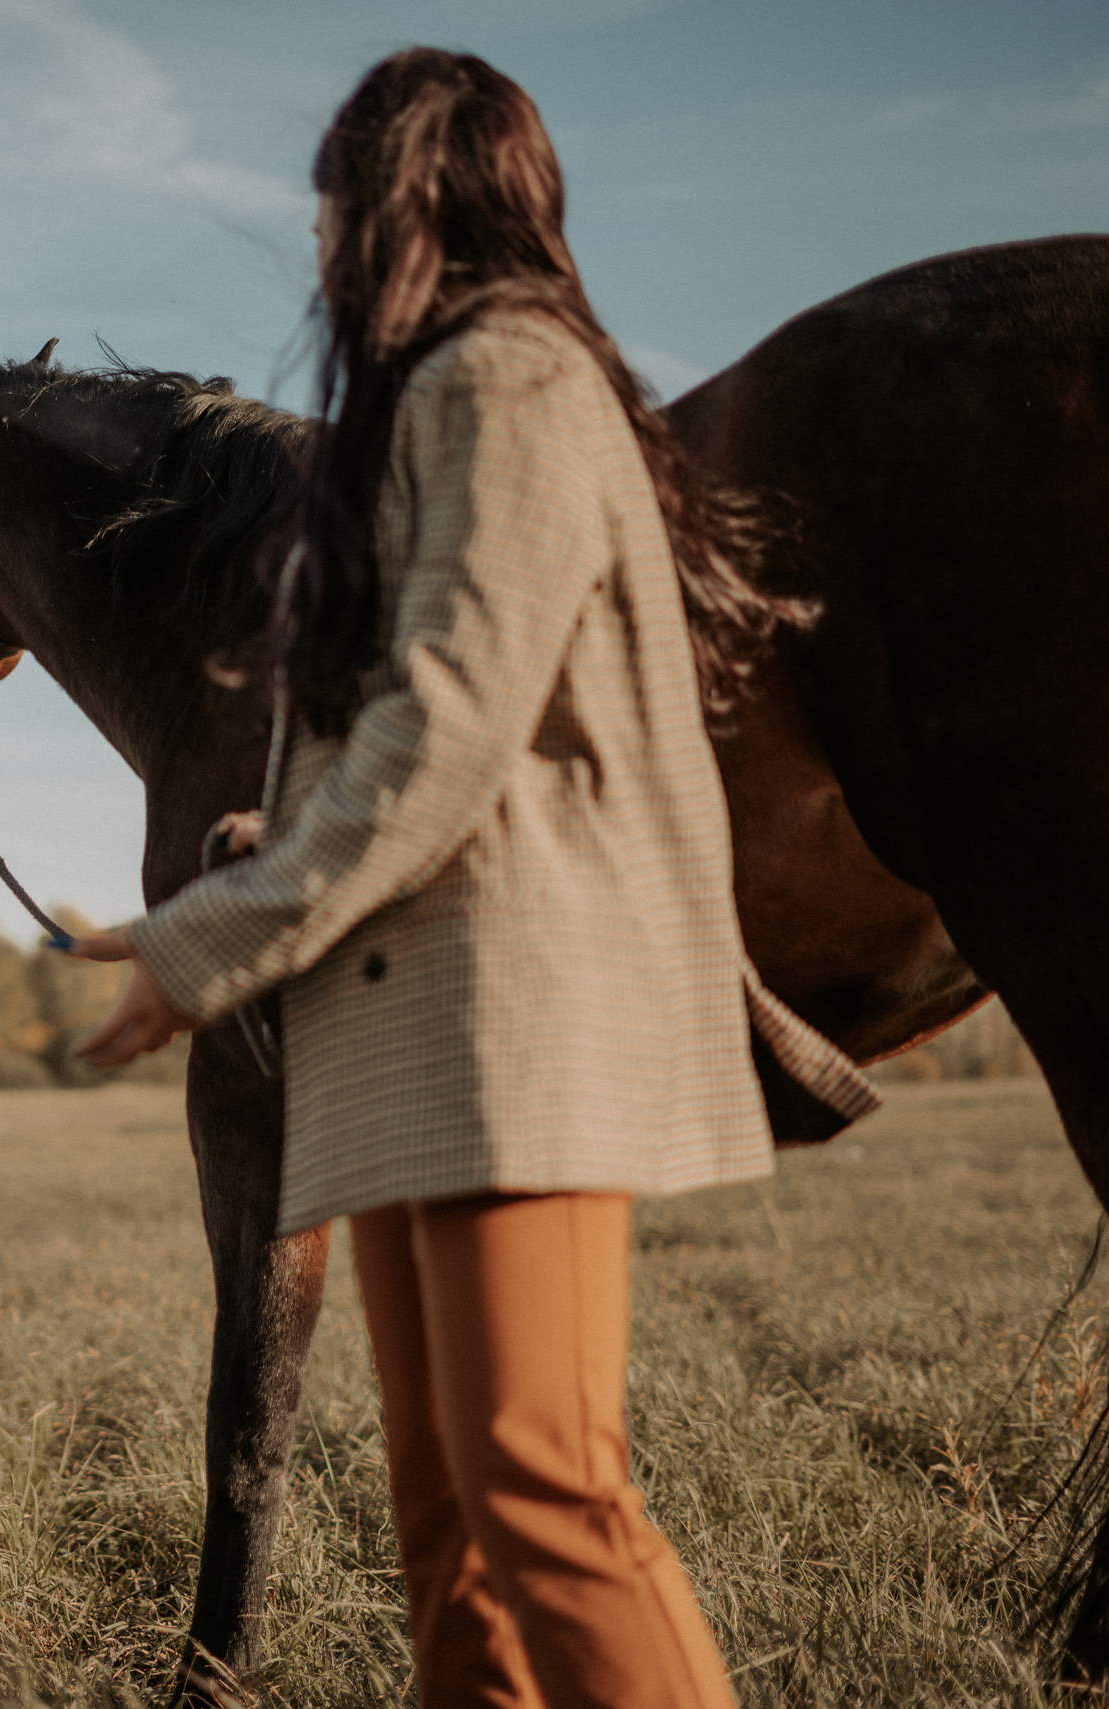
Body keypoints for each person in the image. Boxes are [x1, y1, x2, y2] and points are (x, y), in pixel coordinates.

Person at [69, 49, 877, 1709]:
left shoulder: (507, 384)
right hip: (422, 1038)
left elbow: (449, 726)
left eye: (339, 203)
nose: (322, 245)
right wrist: (273, 845)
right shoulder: (441, 400)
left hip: (517, 1028)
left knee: (546, 1501)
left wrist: (213, 932)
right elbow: (404, 721)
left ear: (419, 199)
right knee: (449, 1528)